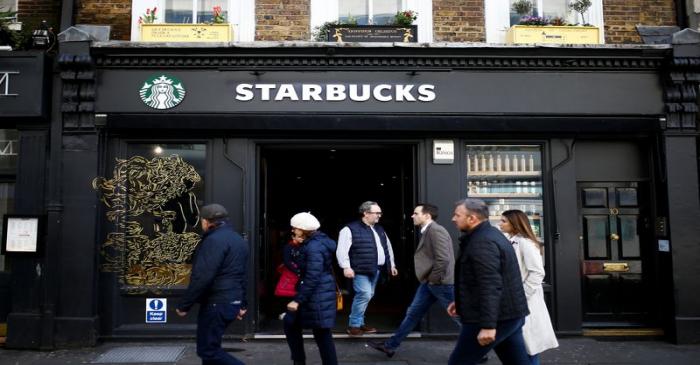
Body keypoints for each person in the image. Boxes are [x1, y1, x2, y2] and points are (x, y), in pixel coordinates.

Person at [447, 198, 530, 365]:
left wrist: (488, 326)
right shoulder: (488, 235)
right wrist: (462, 301)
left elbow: (490, 285)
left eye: (457, 215)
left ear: (472, 219)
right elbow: (478, 281)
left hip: (492, 318)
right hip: (508, 315)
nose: (453, 219)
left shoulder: (482, 242)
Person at [368, 203, 457, 357]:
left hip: (441, 283)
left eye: (416, 213)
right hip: (430, 283)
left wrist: (433, 279)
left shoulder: (436, 231)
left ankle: (478, 349)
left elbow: (443, 259)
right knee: (413, 314)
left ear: (427, 216)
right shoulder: (428, 231)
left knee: (460, 316)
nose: (412, 216)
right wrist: (429, 281)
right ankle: (390, 346)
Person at [176, 203, 248, 365]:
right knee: (210, 351)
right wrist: (241, 303)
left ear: (207, 222)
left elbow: (203, 276)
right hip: (230, 300)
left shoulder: (213, 241)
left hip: (217, 302)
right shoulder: (237, 239)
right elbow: (241, 274)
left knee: (208, 351)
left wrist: (184, 305)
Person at [499, 210, 559, 365]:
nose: (500, 224)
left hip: (526, 300)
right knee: (521, 345)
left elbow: (537, 273)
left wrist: (522, 294)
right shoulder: (509, 240)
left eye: (503, 221)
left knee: (529, 345)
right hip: (514, 300)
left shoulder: (526, 242)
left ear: (515, 223)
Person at [284, 212, 339, 365]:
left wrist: (297, 300)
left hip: (317, 296)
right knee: (294, 325)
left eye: (295, 228)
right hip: (317, 294)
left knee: (322, 334)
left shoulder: (314, 247)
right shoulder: (316, 242)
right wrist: (301, 245)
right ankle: (299, 361)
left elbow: (312, 276)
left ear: (302, 229)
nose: (293, 230)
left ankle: (299, 361)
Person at [336, 201, 398, 336]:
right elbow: (342, 250)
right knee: (364, 294)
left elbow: (387, 248)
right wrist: (346, 267)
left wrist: (391, 264)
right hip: (360, 270)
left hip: (375, 269)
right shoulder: (349, 229)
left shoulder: (379, 229)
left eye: (380, 213)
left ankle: (360, 323)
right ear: (366, 213)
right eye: (376, 213)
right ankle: (354, 325)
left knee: (368, 295)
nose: (379, 216)